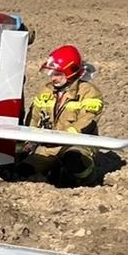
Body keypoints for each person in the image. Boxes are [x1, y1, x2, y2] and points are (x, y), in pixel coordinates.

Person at [20, 44, 105, 184]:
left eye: (58, 74)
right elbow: (33, 118)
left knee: (74, 161)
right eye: (52, 74)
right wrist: (29, 141)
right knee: (23, 171)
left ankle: (87, 180)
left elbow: (87, 121)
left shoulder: (89, 92)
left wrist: (62, 137)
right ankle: (53, 170)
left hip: (78, 143)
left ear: (70, 72)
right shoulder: (45, 91)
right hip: (48, 146)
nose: (53, 79)